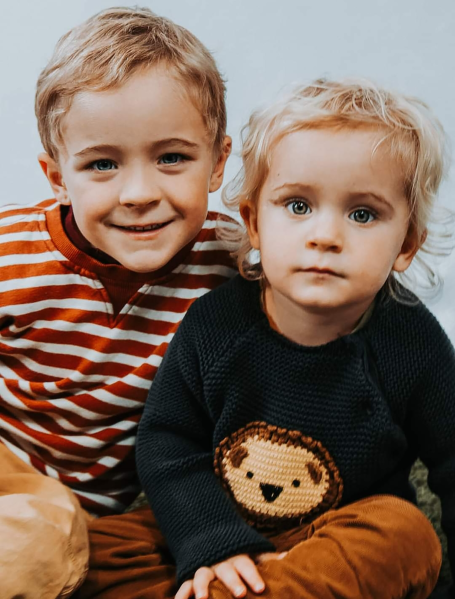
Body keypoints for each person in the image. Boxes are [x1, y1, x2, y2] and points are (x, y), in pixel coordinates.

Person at [136, 79, 455, 599]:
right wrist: (211, 540)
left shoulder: (410, 342)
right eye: (298, 206)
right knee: (96, 545)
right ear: (253, 222)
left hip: (330, 545)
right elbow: (166, 441)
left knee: (405, 534)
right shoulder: (216, 323)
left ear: (408, 244)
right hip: (220, 534)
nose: (325, 235)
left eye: (362, 214)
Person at [0, 6, 235, 599]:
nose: (139, 194)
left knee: (52, 552)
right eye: (102, 164)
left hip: (101, 514)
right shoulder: (11, 252)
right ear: (56, 176)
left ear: (219, 163)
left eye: (172, 158)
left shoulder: (234, 265)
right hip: (8, 464)